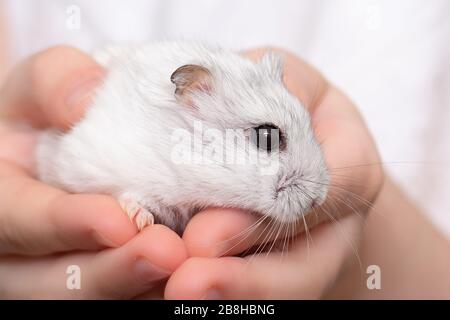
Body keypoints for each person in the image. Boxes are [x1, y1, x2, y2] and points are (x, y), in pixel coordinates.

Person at [0, 1, 449, 299]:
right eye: (267, 139)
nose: (315, 189)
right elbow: (66, 160)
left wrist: (360, 258)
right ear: (191, 99)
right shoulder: (129, 131)